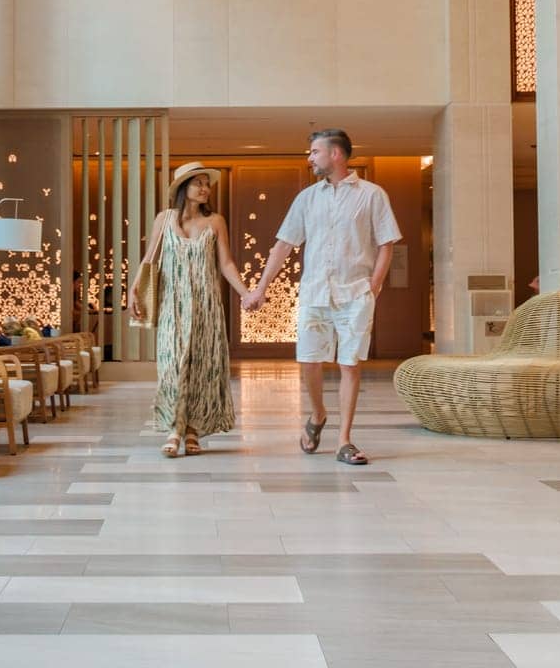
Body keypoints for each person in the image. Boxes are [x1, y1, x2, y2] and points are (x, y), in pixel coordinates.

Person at [244, 129, 402, 465]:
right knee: (309, 361)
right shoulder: (307, 198)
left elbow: (387, 242)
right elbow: (284, 244)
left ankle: (345, 440)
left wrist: (373, 285)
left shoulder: (372, 195)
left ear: (336, 155)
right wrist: (260, 287)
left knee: (350, 364)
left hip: (355, 293)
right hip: (315, 292)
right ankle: (317, 415)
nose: (309, 157)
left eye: (314, 151)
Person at [129, 161, 247, 458]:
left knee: (202, 369)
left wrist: (246, 294)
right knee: (172, 367)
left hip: (207, 306)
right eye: (199, 183)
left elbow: (227, 264)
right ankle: (174, 428)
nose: (205, 188)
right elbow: (149, 259)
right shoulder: (164, 219)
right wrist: (133, 290)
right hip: (173, 306)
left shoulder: (216, 221)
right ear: (184, 188)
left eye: (207, 184)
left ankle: (192, 430)